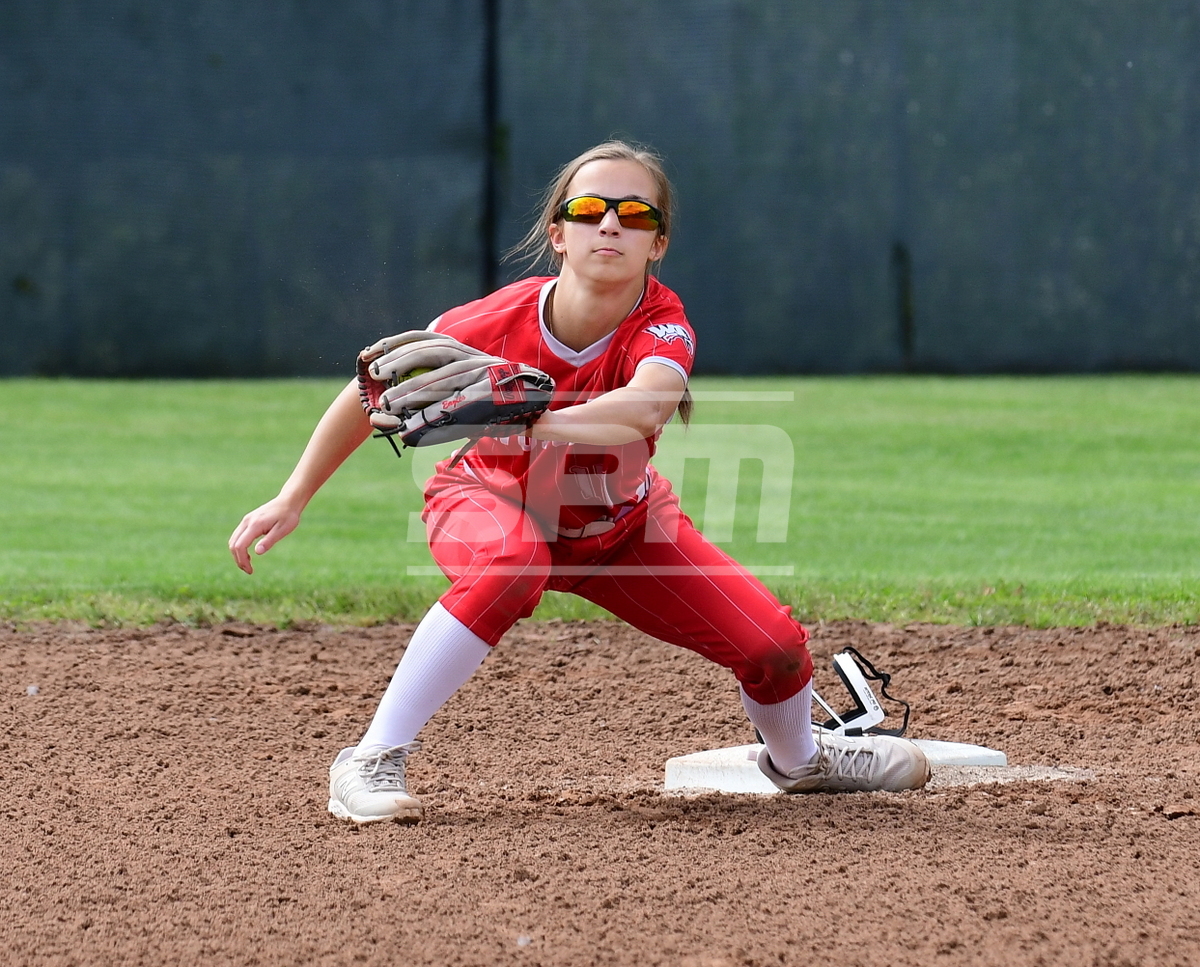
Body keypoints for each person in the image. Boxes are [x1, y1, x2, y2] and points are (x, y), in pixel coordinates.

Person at [228, 140, 930, 825]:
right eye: (590, 209)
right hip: (486, 497)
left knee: (773, 647)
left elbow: (646, 405)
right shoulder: (493, 321)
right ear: (558, 234)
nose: (612, 224)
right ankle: (370, 759)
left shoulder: (663, 324)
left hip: (619, 528)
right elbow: (372, 391)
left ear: (657, 244)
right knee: (511, 564)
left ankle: (801, 760)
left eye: (637, 214)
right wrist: (294, 495)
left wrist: (537, 419)